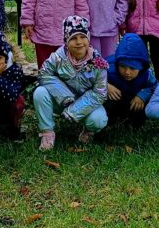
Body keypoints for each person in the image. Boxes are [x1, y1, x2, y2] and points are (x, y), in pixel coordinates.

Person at [33, 16, 108, 151]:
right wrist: (64, 96)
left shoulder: (98, 63)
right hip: (61, 100)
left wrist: (75, 110)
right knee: (40, 92)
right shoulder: (57, 58)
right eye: (73, 38)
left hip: (86, 104)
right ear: (66, 41)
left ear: (88, 38)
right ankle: (47, 132)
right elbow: (44, 74)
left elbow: (100, 93)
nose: (79, 42)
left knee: (99, 119)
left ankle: (88, 131)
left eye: (82, 37)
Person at [103, 33, 157, 128]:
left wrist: (142, 95)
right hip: (115, 100)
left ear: (141, 67)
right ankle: (109, 120)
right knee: (107, 104)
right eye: (123, 66)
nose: (127, 72)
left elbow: (155, 86)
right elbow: (92, 79)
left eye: (133, 68)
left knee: (144, 105)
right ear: (117, 63)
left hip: (134, 100)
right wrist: (105, 85)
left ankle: (134, 123)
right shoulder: (107, 68)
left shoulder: (146, 74)